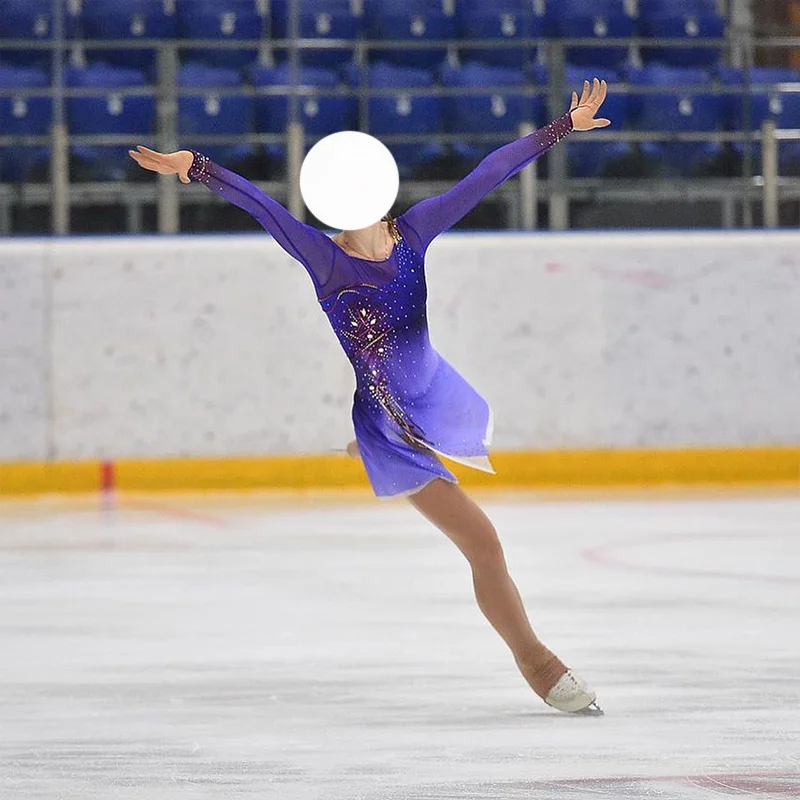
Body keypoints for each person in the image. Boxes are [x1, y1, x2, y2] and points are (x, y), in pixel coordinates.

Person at [130, 78, 610, 714]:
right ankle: (539, 664)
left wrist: (561, 128)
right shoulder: (327, 263)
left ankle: (368, 453)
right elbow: (263, 208)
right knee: (484, 543)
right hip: (391, 424)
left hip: (428, 397)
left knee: (482, 541)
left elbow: (486, 175)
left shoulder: (414, 234)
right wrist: (197, 167)